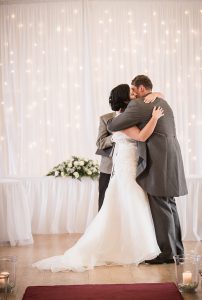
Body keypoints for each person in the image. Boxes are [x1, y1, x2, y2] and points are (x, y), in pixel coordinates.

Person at [32, 84, 164, 272]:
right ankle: (134, 248)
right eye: (131, 92)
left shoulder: (128, 114)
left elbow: (152, 97)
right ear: (125, 98)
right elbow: (141, 137)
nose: (135, 93)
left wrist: (157, 94)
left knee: (127, 203)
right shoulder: (120, 120)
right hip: (126, 165)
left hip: (128, 164)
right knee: (132, 200)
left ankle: (130, 244)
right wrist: (154, 118)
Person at [108, 75, 188, 264]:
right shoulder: (162, 101)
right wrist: (158, 93)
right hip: (172, 155)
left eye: (134, 90)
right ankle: (177, 251)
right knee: (170, 204)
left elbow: (114, 125)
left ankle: (167, 254)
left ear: (142, 89)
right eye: (130, 92)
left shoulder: (138, 105)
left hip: (158, 159)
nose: (133, 94)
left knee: (160, 205)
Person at [96, 111, 115, 211]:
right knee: (104, 199)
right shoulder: (105, 118)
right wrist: (115, 137)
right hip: (107, 168)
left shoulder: (136, 115)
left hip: (129, 165)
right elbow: (100, 143)